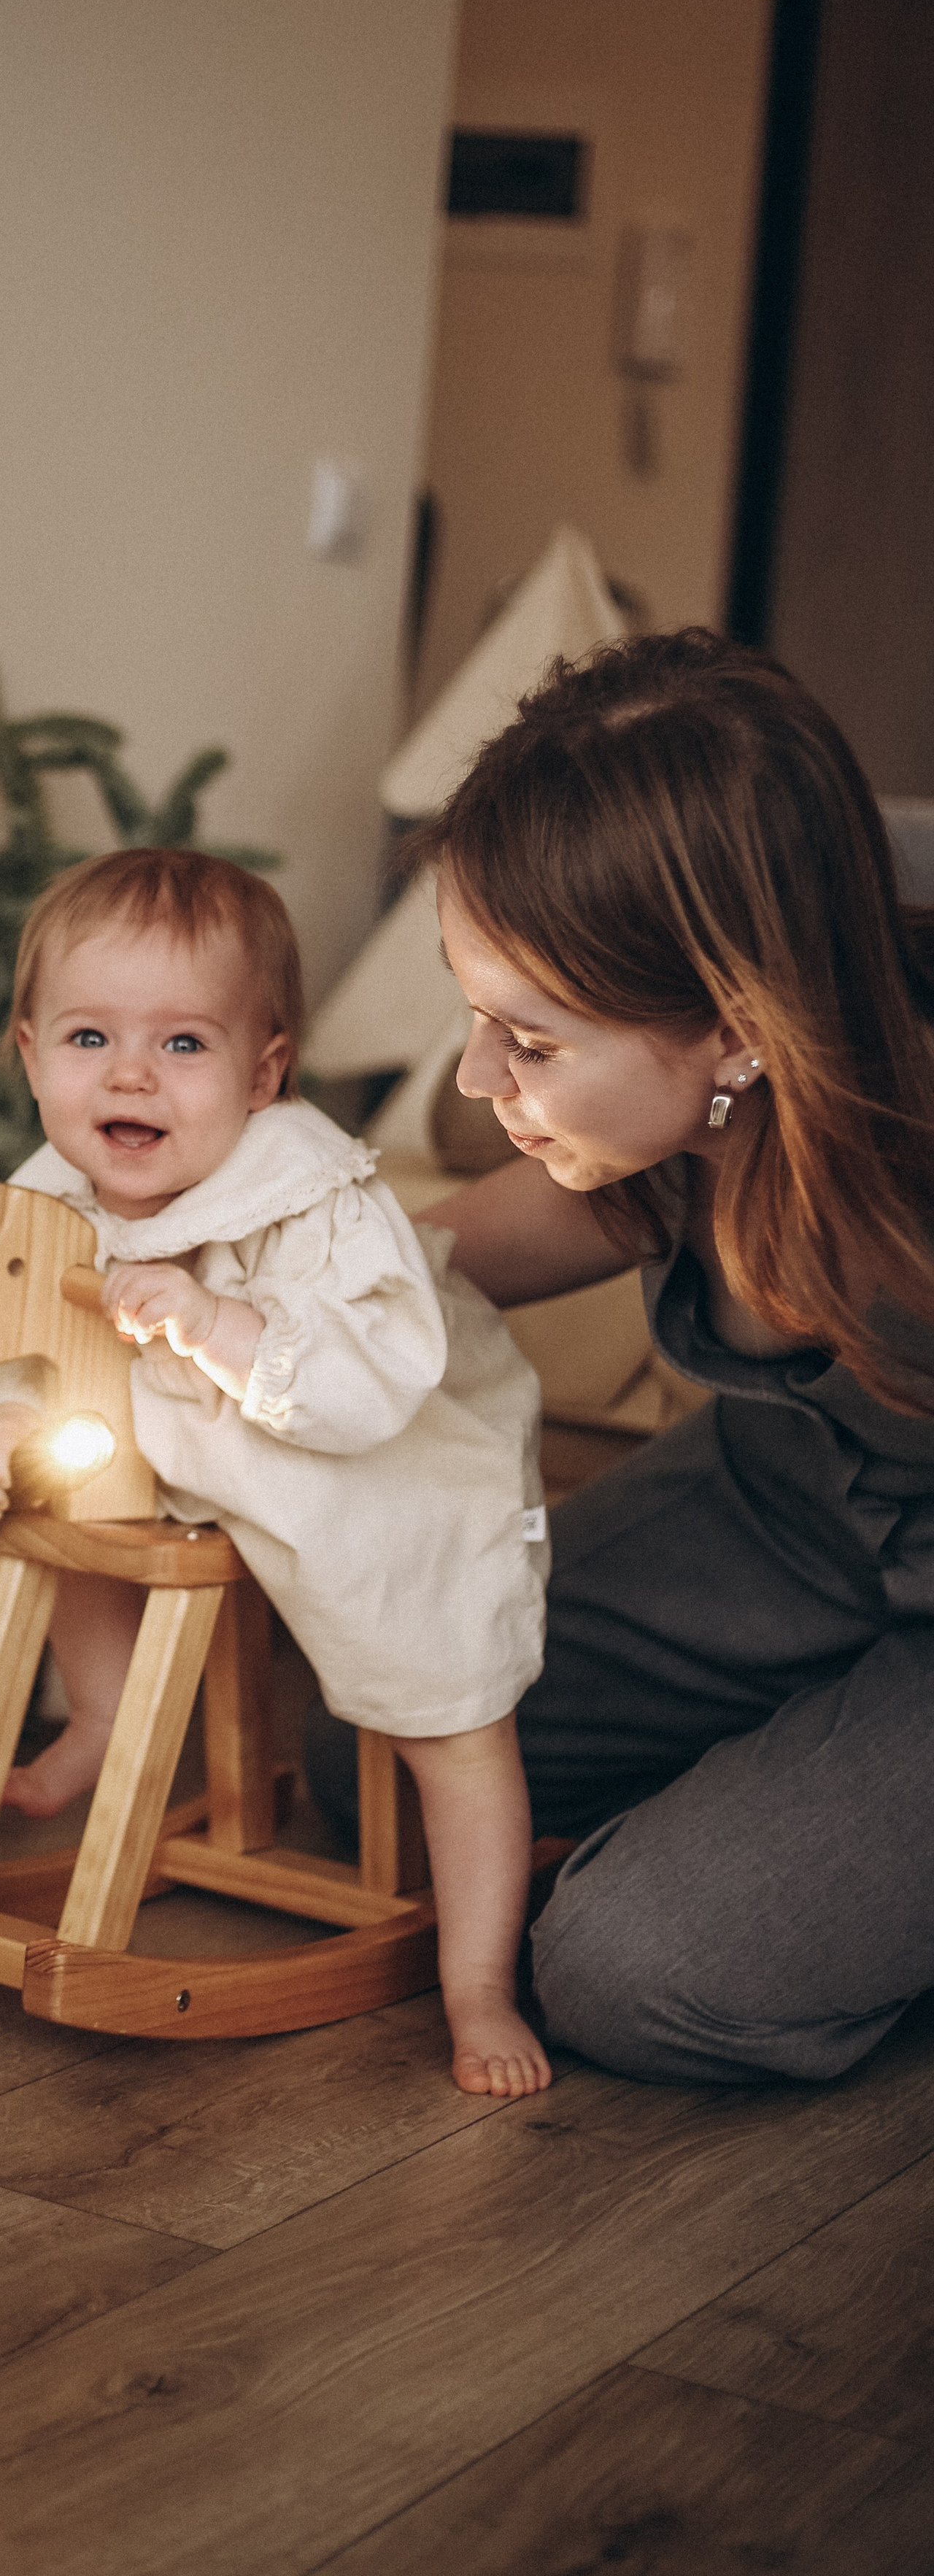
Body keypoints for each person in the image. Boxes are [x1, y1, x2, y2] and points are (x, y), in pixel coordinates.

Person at [401, 626, 934, 2086]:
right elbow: (494, 1236)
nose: (473, 1079)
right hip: (777, 1513)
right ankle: (794, 1765)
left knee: (632, 1970)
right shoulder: (691, 1101)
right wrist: (288, 1280)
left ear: (735, 1030)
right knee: (388, 1728)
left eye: (525, 1037)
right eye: (473, 1015)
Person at [0, 847, 552, 2096]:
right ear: (28, 1052)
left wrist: (219, 1324)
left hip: (383, 1476)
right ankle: (108, 1717)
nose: (128, 1072)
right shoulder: (48, 1196)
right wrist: (0, 1421)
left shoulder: (315, 1198)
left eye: (182, 1046)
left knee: (450, 1718)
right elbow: (6, 1331)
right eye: (87, 1037)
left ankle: (479, 1979)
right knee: (70, 1503)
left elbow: (372, 1379)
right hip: (185, 1463)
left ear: (264, 1069)